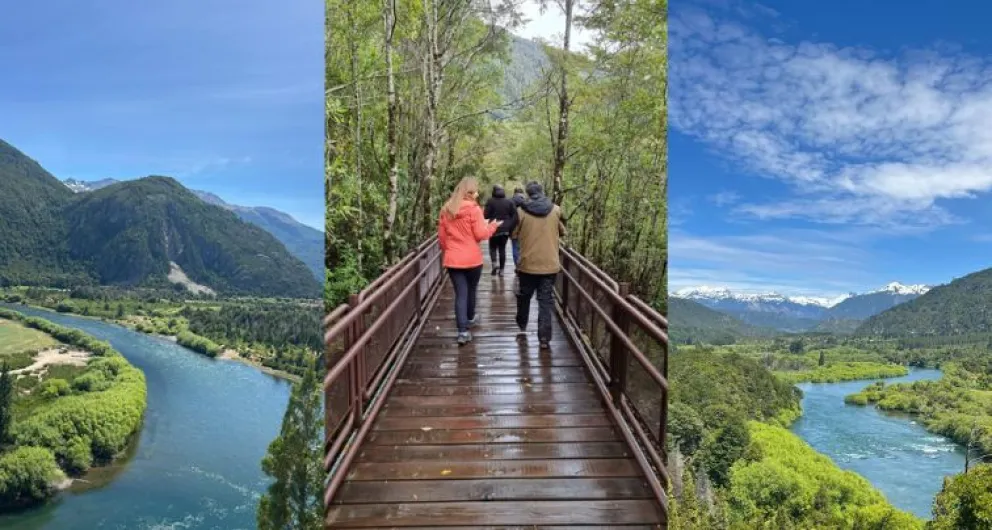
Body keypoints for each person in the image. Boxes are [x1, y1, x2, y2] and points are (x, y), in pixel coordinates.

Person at [438, 177, 502, 345]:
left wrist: (450, 250)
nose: (478, 193)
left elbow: (442, 238)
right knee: (471, 290)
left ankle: (462, 332)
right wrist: (493, 226)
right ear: (470, 192)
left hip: (453, 259)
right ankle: (470, 318)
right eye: (476, 191)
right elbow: (480, 235)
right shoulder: (474, 209)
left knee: (461, 294)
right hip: (472, 259)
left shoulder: (446, 209)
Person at [511, 181, 565, 349]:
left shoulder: (521, 212)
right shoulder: (556, 210)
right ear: (541, 192)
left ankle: (522, 324)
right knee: (545, 301)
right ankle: (544, 339)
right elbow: (562, 231)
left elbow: (514, 234)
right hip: (550, 265)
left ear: (528, 194)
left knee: (524, 296)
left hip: (527, 264)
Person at [483, 184, 517, 276]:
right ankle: (502, 270)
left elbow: (485, 215)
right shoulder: (509, 202)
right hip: (505, 229)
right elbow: (515, 216)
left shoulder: (490, 201)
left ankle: (494, 264)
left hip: (493, 228)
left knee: (492, 247)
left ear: (493, 191)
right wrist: (510, 227)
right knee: (502, 249)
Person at [510, 187, 526, 270]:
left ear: (514, 193)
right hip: (525, 229)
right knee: (524, 248)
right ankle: (523, 266)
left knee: (515, 248)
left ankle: (517, 266)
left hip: (514, 228)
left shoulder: (510, 201)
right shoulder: (527, 201)